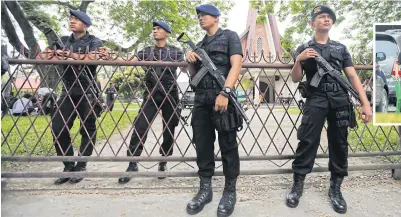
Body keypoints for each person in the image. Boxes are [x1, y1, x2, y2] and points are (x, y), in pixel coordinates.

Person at [285, 6, 372, 214]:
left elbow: (352, 76)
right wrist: (299, 59)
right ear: (312, 23)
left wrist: (365, 103)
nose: (326, 20)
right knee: (307, 140)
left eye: (329, 17)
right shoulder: (304, 47)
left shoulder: (340, 48)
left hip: (339, 99)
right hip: (315, 98)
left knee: (339, 142)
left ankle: (335, 188)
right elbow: (295, 77)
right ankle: (297, 185)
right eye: (321, 17)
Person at [185, 4, 243, 217]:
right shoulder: (199, 44)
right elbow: (193, 77)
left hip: (223, 98)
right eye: (199, 16)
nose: (201, 18)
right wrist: (189, 59)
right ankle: (205, 189)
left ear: (216, 17)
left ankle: (229, 190)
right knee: (202, 144)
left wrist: (226, 92)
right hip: (201, 99)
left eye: (205, 15)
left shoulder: (230, 36)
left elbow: (236, 64)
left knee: (228, 144)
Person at [117, 21, 184, 183]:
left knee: (169, 129)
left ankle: (163, 161)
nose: (155, 31)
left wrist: (190, 59)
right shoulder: (146, 51)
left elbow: (187, 67)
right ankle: (132, 163)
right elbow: (130, 61)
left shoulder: (175, 51)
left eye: (158, 29)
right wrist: (112, 57)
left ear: (166, 32)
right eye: (153, 29)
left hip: (170, 94)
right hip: (151, 94)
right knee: (140, 126)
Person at [44, 10, 104, 185]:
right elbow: (43, 55)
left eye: (76, 19)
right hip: (68, 90)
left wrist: (70, 55)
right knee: (58, 127)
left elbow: (93, 58)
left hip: (88, 90)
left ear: (85, 24)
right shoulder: (62, 40)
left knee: (88, 129)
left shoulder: (94, 40)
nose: (72, 21)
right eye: (70, 19)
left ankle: (81, 166)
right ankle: (68, 166)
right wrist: (55, 54)